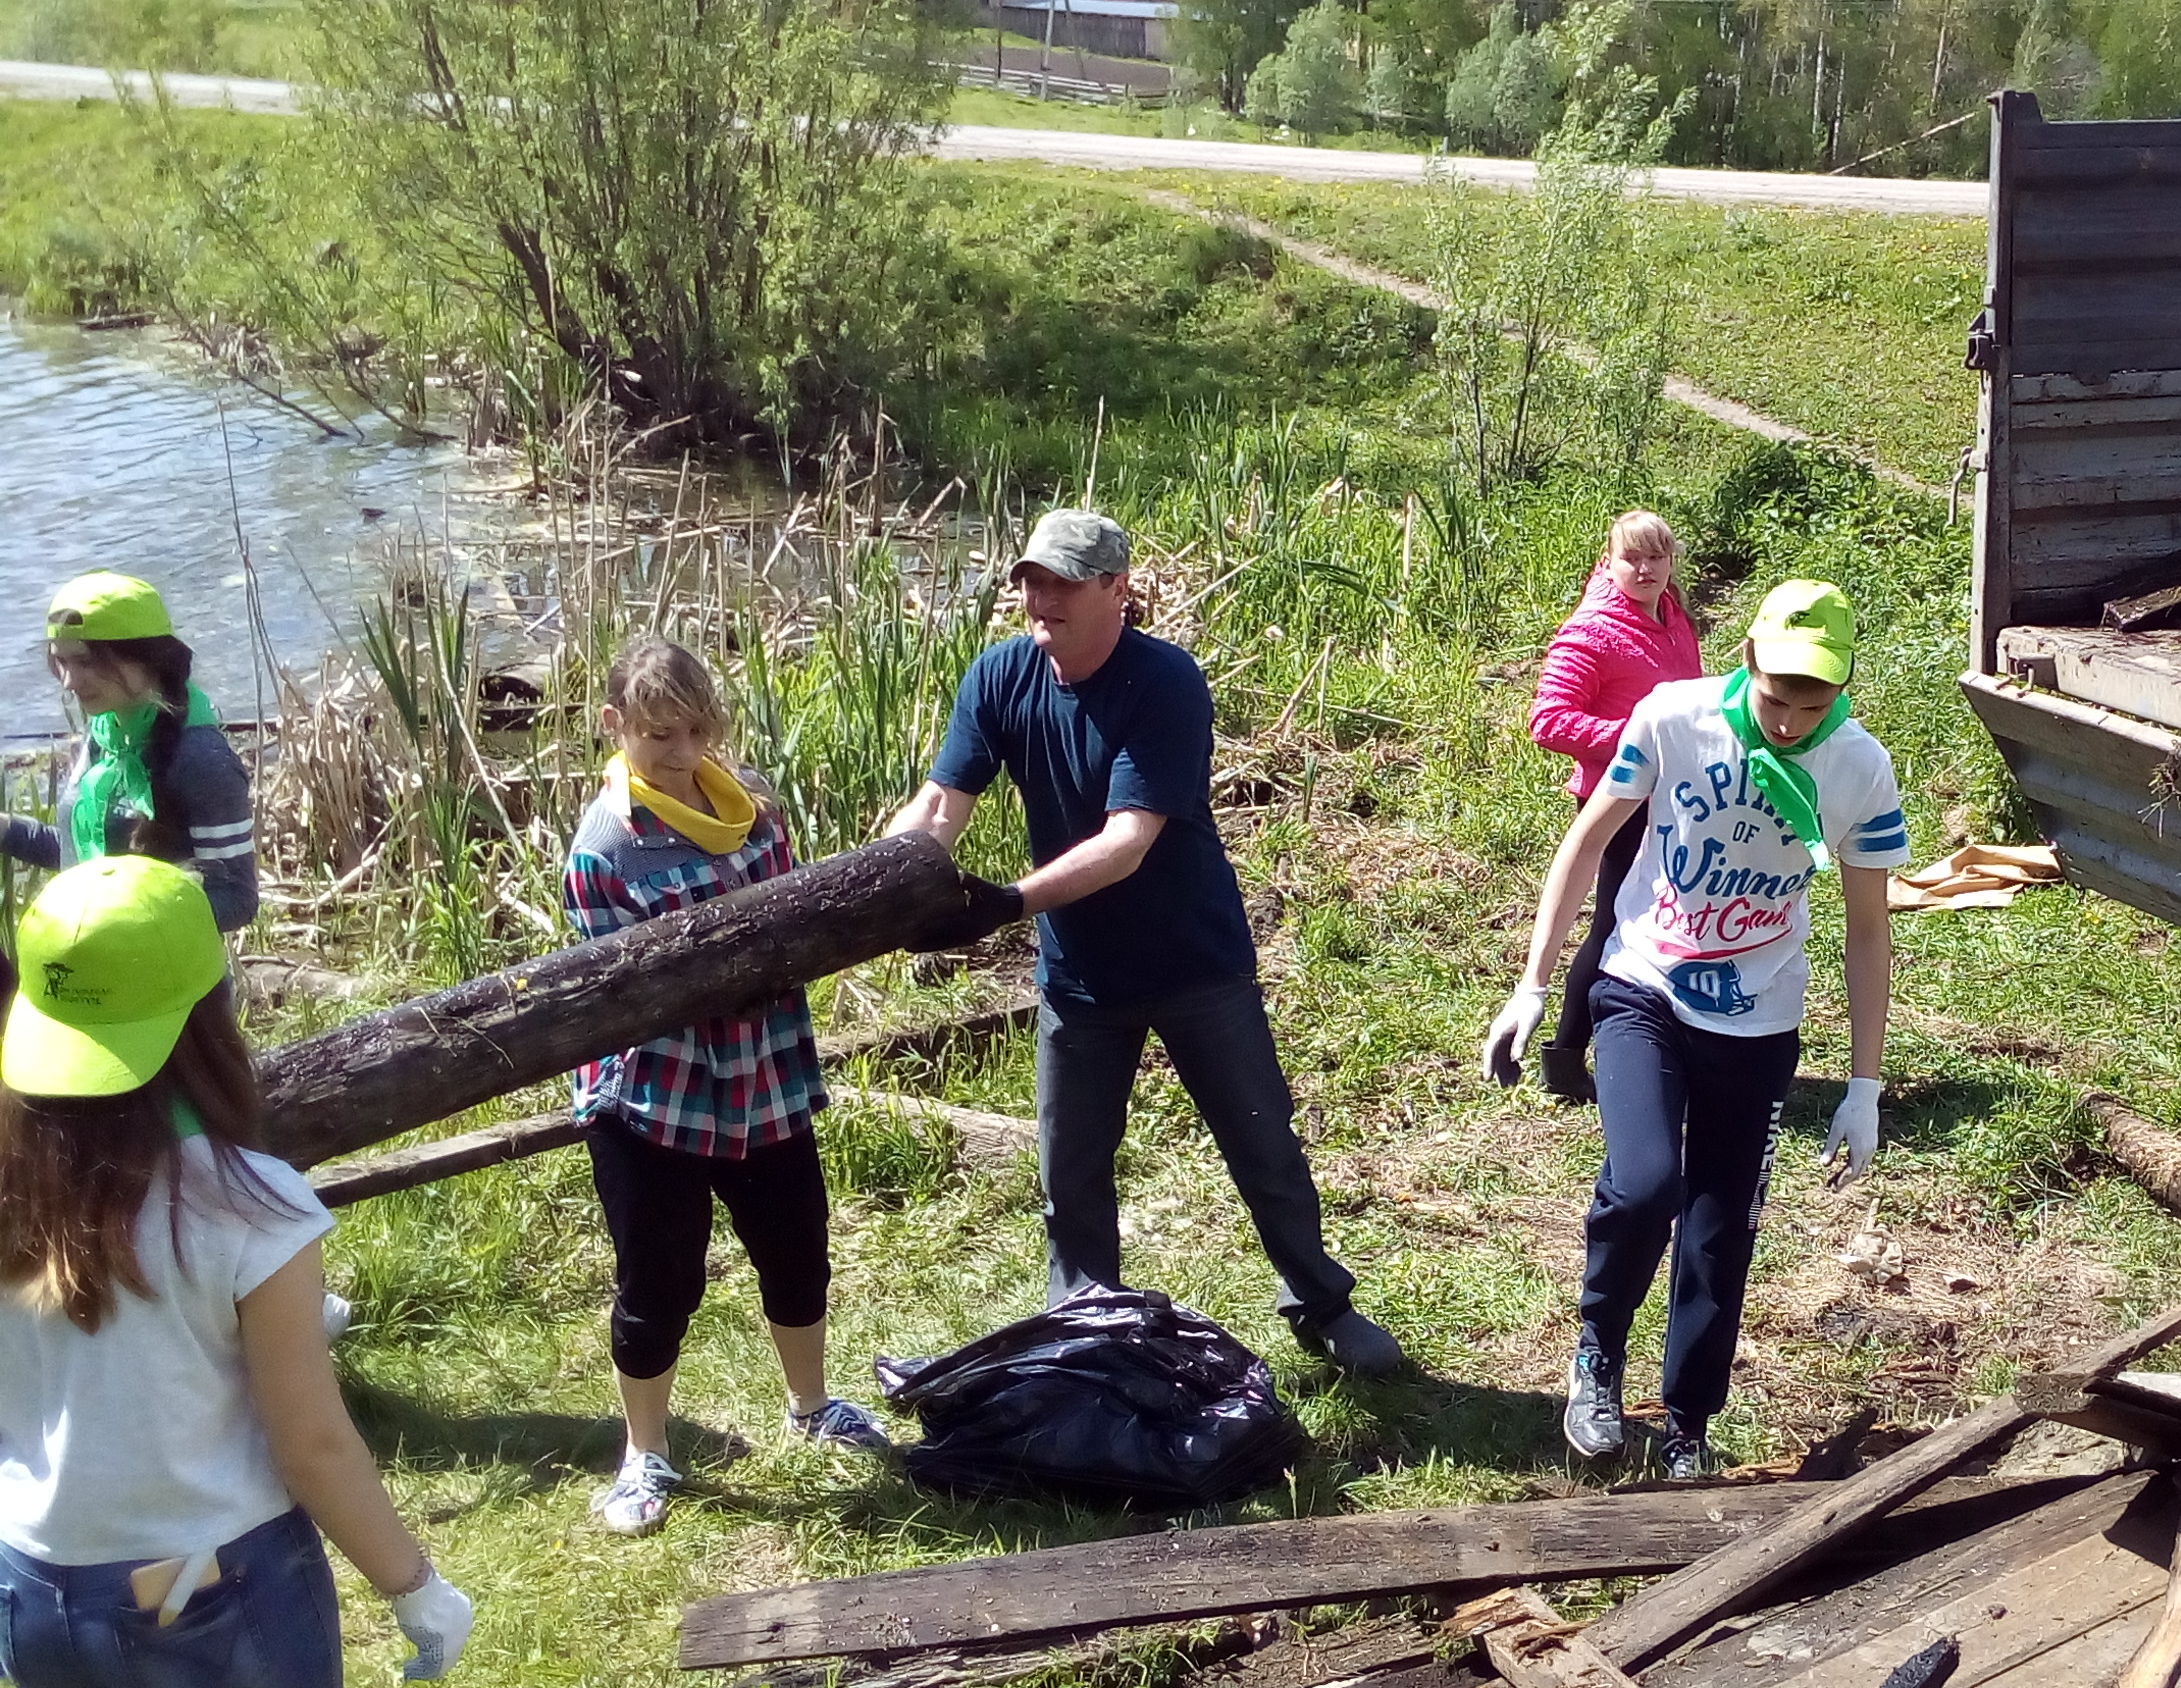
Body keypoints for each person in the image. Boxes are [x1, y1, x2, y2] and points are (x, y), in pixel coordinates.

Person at [888, 509, 1407, 1377]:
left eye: (1060, 582)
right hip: (1080, 978)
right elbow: (941, 808)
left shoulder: (1163, 681)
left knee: (1263, 1147)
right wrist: (879, 888)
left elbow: (1129, 842)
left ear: (1115, 590)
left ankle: (1322, 1305)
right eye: (1030, 581)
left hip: (1193, 961)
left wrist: (1004, 904)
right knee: (1072, 1169)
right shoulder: (999, 676)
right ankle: (1086, 1324)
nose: (1038, 598)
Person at [0, 856, 471, 1688]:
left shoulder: (13, 1186)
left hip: (35, 1586)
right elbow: (313, 1445)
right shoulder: (248, 1204)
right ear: (208, 1017)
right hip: (204, 1587)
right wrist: (415, 1588)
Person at [1479, 581, 1908, 1479]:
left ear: (1843, 687)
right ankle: (1598, 1353)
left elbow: (1868, 928)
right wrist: (1532, 983)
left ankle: (1687, 1423)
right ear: (1744, 660)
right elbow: (1589, 840)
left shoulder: (1860, 769)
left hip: (1757, 1022)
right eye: (1775, 698)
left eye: (1812, 704)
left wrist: (1865, 1083)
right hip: (1644, 983)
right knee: (1643, 1186)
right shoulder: (1673, 717)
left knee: (1721, 1228)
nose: (1790, 722)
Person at [562, 638, 892, 1538]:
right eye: (660, 734)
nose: (682, 752)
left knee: (797, 1249)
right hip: (655, 1093)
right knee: (659, 1282)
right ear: (615, 726)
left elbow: (796, 926)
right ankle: (644, 1454)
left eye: (699, 731)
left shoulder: (756, 814)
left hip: (765, 1071)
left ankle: (812, 1405)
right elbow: (622, 996)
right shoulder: (605, 853)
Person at [1518, 511, 1702, 1105]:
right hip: (1618, 803)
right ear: (1609, 561)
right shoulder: (1593, 631)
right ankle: (1566, 1053)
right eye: (1632, 558)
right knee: (1614, 926)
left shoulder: (1672, 617)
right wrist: (1640, 740)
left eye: (1657, 556)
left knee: (1663, 919)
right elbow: (1547, 721)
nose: (1645, 569)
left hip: (1671, 799)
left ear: (1672, 561)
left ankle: (1668, 1039)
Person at [3, 574, 257, 931]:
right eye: (61, 661)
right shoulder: (106, 735)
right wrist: (5, 830)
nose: (69, 681)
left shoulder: (201, 760)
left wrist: (124, 918)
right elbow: (79, 855)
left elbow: (237, 899)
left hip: (170, 979)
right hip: (88, 957)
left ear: (149, 658)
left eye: (86, 662)